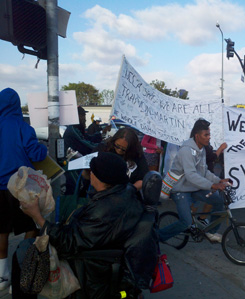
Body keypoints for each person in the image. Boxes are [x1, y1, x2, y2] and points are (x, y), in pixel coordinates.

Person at [13, 152, 158, 298]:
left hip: (91, 270)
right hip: (98, 256)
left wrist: (37, 217)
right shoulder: (124, 192)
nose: (90, 173)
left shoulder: (104, 210)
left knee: (24, 253)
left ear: (100, 178)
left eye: (92, 171)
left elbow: (69, 242)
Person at [0, 88, 47, 290]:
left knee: (1, 230)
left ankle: (2, 277)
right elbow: (36, 155)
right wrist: (44, 147)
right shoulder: (24, 127)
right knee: (30, 227)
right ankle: (22, 274)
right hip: (21, 188)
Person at [158, 118, 230, 243]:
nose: (209, 137)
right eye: (206, 135)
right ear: (197, 136)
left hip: (193, 188)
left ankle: (210, 232)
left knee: (219, 201)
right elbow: (191, 175)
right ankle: (156, 238)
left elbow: (205, 171)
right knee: (186, 222)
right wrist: (212, 185)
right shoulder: (186, 150)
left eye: (209, 134)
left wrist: (219, 180)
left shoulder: (201, 149)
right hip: (180, 190)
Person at [94, 127, 149, 198]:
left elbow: (143, 178)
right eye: (117, 146)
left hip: (128, 196)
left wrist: (130, 189)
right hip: (104, 194)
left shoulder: (137, 155)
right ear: (114, 141)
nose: (119, 150)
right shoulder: (104, 148)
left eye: (124, 149)